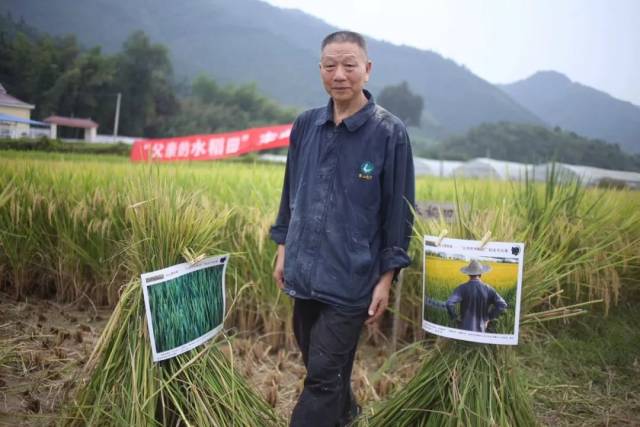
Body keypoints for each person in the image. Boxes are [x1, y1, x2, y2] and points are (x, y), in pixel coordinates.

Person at [270, 31, 415, 427]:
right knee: (325, 369)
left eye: (349, 65)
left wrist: (387, 278)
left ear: (367, 70)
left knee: (320, 379)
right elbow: (290, 190)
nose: (340, 74)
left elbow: (399, 214)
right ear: (320, 70)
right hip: (303, 270)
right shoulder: (306, 125)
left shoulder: (388, 132)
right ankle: (347, 416)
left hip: (352, 278)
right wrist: (283, 246)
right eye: (330, 65)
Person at [445, 260, 508, 332]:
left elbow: (449, 303)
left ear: (468, 274)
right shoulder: (488, 289)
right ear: (481, 274)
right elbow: (502, 304)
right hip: (482, 329)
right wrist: (488, 318)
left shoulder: (461, 288)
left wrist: (455, 317)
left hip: (464, 329)